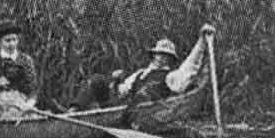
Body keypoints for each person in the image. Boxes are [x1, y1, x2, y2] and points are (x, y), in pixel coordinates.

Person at [68, 24, 213, 112]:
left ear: (170, 59)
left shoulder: (171, 77)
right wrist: (115, 81)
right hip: (123, 108)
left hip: (142, 114)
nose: (161, 57)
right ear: (154, 55)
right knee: (97, 80)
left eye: (166, 55)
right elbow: (120, 92)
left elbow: (190, 67)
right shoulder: (140, 74)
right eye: (159, 54)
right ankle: (73, 110)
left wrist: (201, 41)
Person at [0, 23, 40, 119]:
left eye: (14, 40)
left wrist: (29, 104)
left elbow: (33, 89)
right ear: (0, 42)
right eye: (7, 40)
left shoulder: (25, 61)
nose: (12, 44)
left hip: (18, 104)